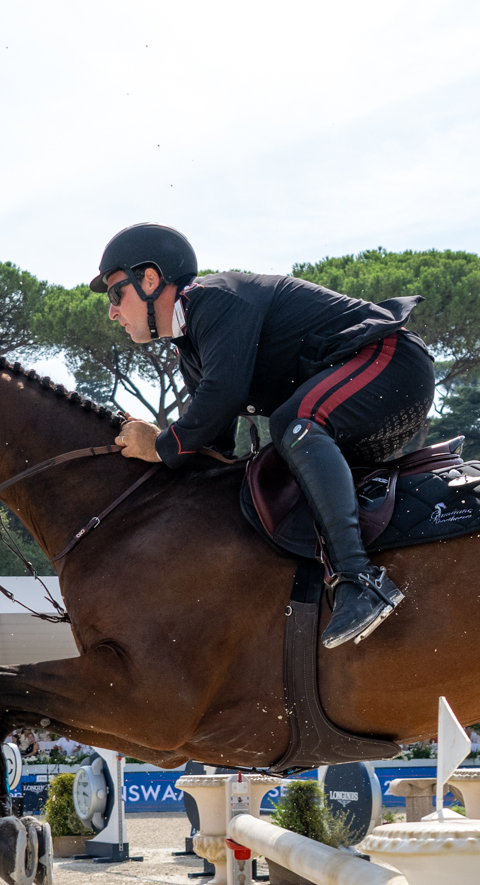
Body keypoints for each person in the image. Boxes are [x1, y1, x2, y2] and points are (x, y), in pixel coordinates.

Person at [94, 223, 432, 648]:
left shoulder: (213, 300)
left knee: (293, 424)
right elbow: (210, 444)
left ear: (148, 280)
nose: (111, 311)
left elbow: (223, 395)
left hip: (391, 361)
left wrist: (160, 445)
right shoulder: (190, 346)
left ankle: (359, 580)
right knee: (278, 459)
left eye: (114, 293)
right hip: (371, 389)